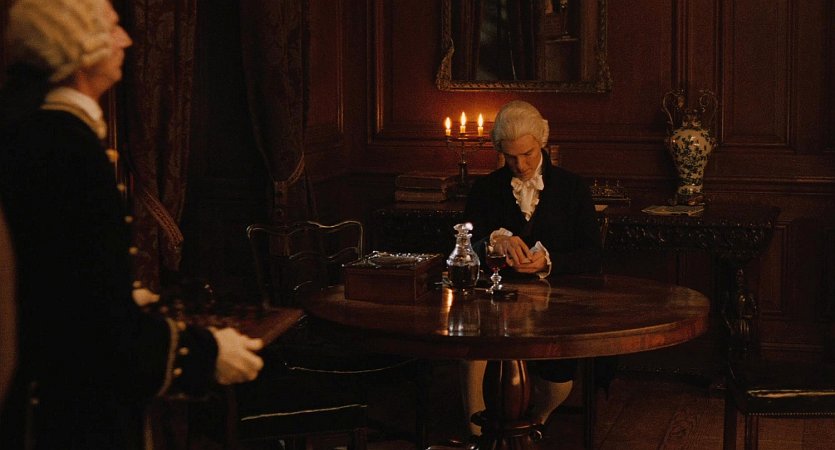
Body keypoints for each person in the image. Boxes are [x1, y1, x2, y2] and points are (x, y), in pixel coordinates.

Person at [0, 1, 264, 448]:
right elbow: (93, 329)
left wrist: (115, 290)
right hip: (68, 417)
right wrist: (208, 354)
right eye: (112, 28)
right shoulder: (68, 147)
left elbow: (59, 281)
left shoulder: (37, 131)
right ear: (78, 46)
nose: (126, 39)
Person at [461, 100, 602, 439]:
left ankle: (536, 421)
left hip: (555, 304)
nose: (520, 165)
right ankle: (477, 438)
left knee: (558, 381)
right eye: (510, 157)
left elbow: (593, 254)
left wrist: (549, 261)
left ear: (543, 142)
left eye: (527, 154)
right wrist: (493, 242)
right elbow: (465, 246)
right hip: (495, 303)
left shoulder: (572, 188)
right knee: (473, 351)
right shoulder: (485, 189)